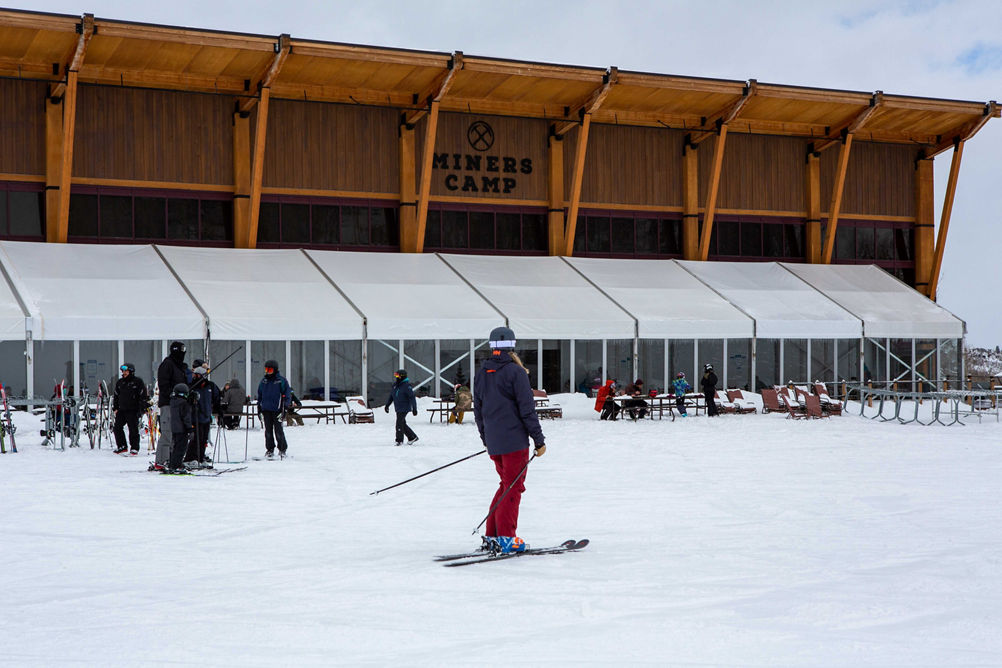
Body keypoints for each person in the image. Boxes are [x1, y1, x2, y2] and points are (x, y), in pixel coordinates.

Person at [473, 326, 546, 555]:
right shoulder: (516, 372)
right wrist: (539, 440)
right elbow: (527, 410)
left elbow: (479, 409)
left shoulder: (482, 372)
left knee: (506, 486)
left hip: (495, 442)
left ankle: (494, 535)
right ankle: (506, 538)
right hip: (514, 443)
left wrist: (486, 438)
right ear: (512, 346)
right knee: (513, 488)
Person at [153, 341, 188, 471]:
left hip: (179, 405)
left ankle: (173, 460)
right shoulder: (167, 365)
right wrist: (174, 396)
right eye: (181, 351)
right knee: (167, 432)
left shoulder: (180, 367)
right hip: (168, 404)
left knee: (176, 434)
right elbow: (164, 385)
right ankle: (161, 461)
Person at [112, 362, 149, 455]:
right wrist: (115, 407)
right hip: (121, 409)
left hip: (133, 409)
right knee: (117, 427)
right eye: (123, 371)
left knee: (133, 429)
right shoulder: (120, 382)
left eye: (126, 371)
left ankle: (134, 448)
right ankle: (122, 446)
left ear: (131, 371)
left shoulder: (138, 382)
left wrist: (142, 408)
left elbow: (143, 395)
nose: (124, 373)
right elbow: (116, 395)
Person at [257, 360, 292, 459]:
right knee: (268, 431)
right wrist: (259, 409)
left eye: (270, 369)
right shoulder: (264, 381)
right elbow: (260, 395)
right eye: (266, 369)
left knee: (278, 430)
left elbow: (287, 395)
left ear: (275, 370)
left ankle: (282, 449)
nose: (268, 371)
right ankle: (270, 449)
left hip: (277, 410)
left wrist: (284, 409)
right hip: (266, 409)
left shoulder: (281, 381)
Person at [186, 365, 220, 465]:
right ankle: (190, 458)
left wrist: (219, 410)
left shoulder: (210, 386)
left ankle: (201, 458)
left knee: (203, 439)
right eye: (194, 375)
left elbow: (216, 398)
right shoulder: (192, 387)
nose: (195, 377)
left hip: (206, 417)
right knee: (196, 439)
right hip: (195, 417)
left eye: (198, 375)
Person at [384, 368, 418, 445]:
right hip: (398, 407)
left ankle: (399, 440)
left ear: (402, 376)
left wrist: (414, 409)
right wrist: (387, 405)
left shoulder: (406, 386)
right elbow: (391, 396)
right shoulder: (395, 386)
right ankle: (412, 437)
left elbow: (412, 397)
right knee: (402, 423)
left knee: (399, 423)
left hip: (404, 407)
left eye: (397, 375)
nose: (396, 377)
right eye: (395, 375)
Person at [166, 383, 194, 474]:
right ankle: (176, 466)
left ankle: (173, 464)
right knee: (181, 448)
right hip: (182, 429)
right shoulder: (184, 404)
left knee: (175, 447)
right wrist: (189, 428)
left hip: (175, 428)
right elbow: (186, 417)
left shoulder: (173, 402)